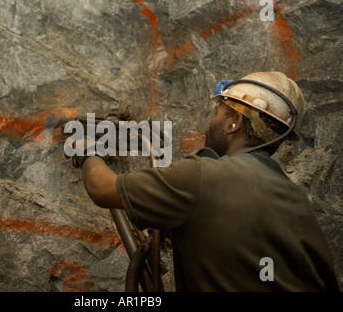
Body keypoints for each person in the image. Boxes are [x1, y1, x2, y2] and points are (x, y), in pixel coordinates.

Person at [68, 71, 339, 291]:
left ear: (233, 123)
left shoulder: (202, 177)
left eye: (217, 113)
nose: (209, 123)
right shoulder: (297, 200)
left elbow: (101, 188)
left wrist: (87, 151)